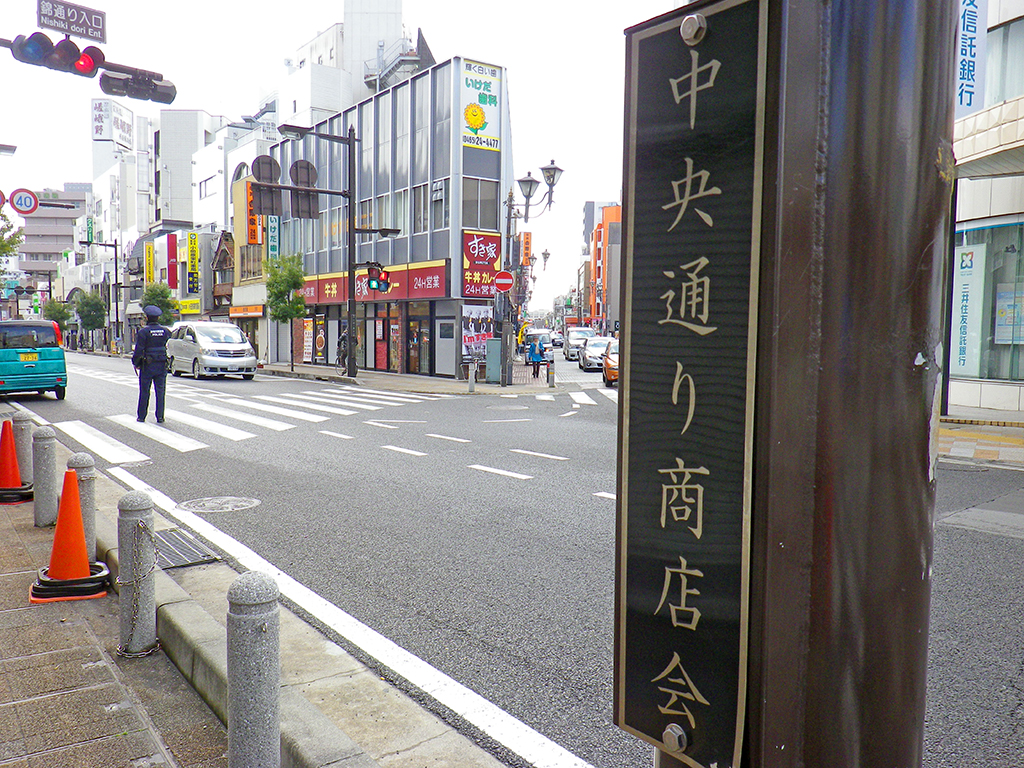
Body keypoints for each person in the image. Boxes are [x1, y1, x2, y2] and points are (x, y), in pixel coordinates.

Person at [132, 305, 170, 423]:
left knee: (145, 391)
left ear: (147, 318)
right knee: (160, 391)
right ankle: (160, 417)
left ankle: (142, 416)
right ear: (158, 318)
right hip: (161, 364)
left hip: (147, 365)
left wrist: (136, 362)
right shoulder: (165, 331)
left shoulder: (143, 332)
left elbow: (139, 350)